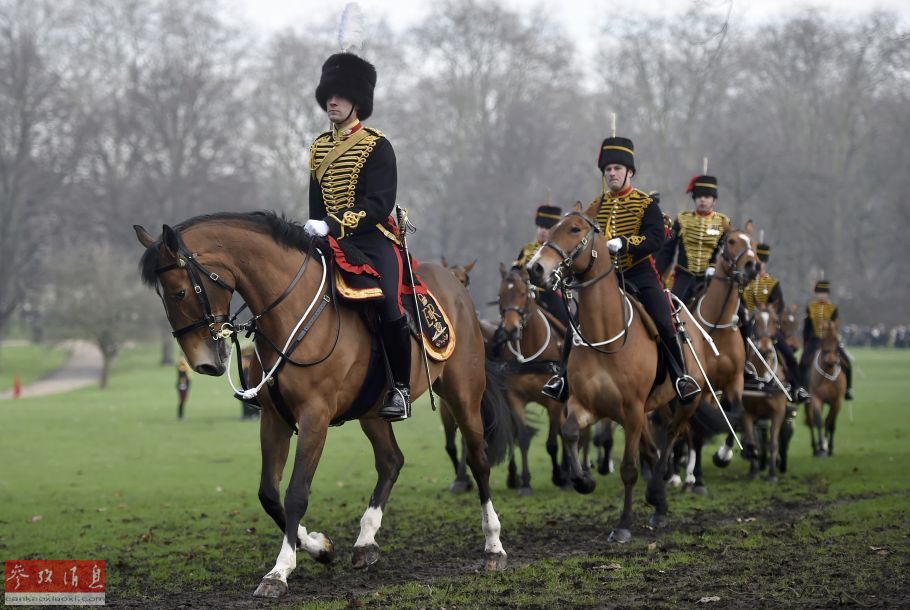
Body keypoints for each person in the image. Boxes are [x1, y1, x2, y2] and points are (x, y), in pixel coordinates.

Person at [542, 136, 700, 403]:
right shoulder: (597, 205)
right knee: (577, 323)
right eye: (607, 169)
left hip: (640, 273)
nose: (612, 173)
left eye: (616, 168)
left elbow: (656, 238)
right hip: (605, 278)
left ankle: (680, 377)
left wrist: (625, 243)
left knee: (663, 319)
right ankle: (562, 379)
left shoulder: (646, 204)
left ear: (630, 171)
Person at [306, 50, 411, 421]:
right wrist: (316, 230)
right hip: (329, 241)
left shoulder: (376, 145)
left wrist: (333, 225)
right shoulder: (318, 149)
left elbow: (380, 203)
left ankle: (400, 388)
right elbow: (315, 206)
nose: (332, 101)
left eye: (341, 95)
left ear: (358, 101)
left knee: (388, 304)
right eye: (328, 95)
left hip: (373, 239)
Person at [741, 243, 809, 402]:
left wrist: (771, 317)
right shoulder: (745, 282)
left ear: (766, 263)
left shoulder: (772, 283)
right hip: (748, 325)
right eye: (757, 261)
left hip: (768, 328)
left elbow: (780, 307)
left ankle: (797, 388)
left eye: (762, 262)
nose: (760, 264)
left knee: (789, 355)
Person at [656, 175, 729, 304]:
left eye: (706, 197)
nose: (702, 200)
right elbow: (668, 250)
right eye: (699, 197)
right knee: (671, 305)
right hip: (684, 275)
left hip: (711, 276)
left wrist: (713, 266)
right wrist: (657, 273)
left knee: (732, 308)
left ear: (714, 200)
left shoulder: (723, 222)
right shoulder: (683, 219)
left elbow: (724, 251)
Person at [513, 204, 570, 327]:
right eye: (540, 226)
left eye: (548, 227)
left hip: (549, 294)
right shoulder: (527, 249)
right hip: (525, 294)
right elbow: (515, 270)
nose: (543, 230)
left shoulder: (559, 251)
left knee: (568, 320)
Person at [799, 280, 853, 400]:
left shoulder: (833, 308)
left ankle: (848, 389)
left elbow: (836, 326)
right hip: (815, 340)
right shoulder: (811, 307)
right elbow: (807, 328)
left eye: (824, 292)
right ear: (816, 294)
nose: (822, 295)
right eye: (819, 292)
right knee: (802, 362)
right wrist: (805, 343)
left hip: (830, 341)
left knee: (846, 362)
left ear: (827, 294)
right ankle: (802, 389)